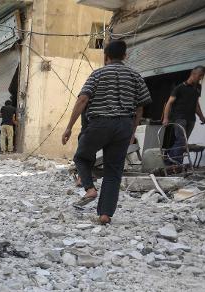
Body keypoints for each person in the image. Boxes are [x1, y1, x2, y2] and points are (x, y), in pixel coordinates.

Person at [62, 40, 151, 225]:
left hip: (100, 124)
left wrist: (69, 127)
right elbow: (140, 108)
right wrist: (132, 132)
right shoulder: (135, 76)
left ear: (106, 56)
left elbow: (83, 99)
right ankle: (105, 214)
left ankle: (89, 188)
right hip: (124, 126)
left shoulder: (98, 74)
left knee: (81, 157)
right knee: (113, 171)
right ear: (125, 55)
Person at [162, 66, 205, 165]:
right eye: (200, 75)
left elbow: (196, 104)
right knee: (181, 141)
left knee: (183, 143)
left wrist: (201, 116)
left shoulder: (198, 87)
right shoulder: (180, 88)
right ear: (193, 74)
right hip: (179, 118)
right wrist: (165, 118)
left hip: (191, 119)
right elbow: (169, 103)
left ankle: (170, 162)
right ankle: (173, 163)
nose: (201, 78)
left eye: (202, 76)